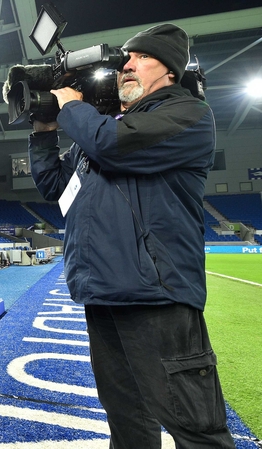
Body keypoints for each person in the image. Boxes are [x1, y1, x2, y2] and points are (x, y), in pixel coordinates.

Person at [28, 24, 235, 448]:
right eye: (126, 57)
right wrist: (44, 130)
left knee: (195, 428)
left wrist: (71, 107)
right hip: (104, 294)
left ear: (170, 70)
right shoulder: (104, 127)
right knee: (127, 423)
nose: (126, 64)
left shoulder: (187, 113)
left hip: (156, 296)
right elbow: (54, 187)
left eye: (139, 57)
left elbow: (113, 146)